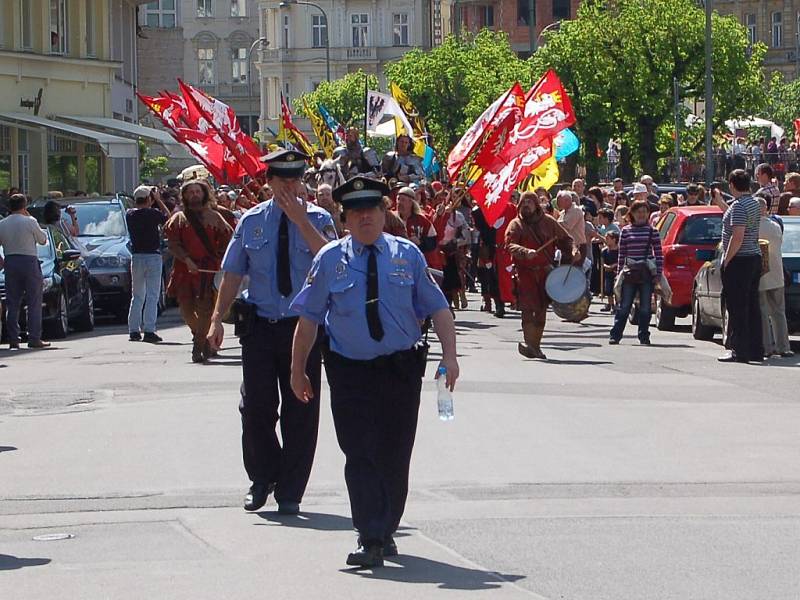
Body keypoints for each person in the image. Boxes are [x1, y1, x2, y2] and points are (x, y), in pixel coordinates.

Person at [289, 175, 458, 568]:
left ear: (384, 214)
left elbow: (438, 309)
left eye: (372, 210)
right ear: (345, 218)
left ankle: (385, 527)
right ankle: (369, 534)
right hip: (350, 372)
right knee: (359, 451)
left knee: (395, 455)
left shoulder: (408, 255)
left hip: (400, 371)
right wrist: (298, 370)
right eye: (356, 212)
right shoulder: (330, 258)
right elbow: (309, 319)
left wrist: (450, 357)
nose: (365, 218)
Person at [207, 149, 337, 516]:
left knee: (301, 408)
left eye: (296, 180)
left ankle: (291, 489)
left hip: (304, 328)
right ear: (269, 183)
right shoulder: (251, 221)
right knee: (255, 407)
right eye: (282, 181)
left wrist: (301, 222)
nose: (290, 188)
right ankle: (262, 477)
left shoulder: (319, 218)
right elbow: (233, 272)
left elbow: (332, 259)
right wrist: (217, 318)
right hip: (261, 326)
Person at [165, 180, 233, 363]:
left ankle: (198, 345)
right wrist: (187, 260)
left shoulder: (216, 218)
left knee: (205, 310)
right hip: (183, 271)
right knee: (186, 310)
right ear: (185, 196)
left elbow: (228, 240)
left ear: (204, 194)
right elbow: (173, 244)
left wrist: (218, 260)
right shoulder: (178, 219)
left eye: (197, 191)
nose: (194, 195)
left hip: (207, 270)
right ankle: (202, 337)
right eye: (191, 192)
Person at [505, 192, 576, 359]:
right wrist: (524, 251)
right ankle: (530, 345)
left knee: (541, 310)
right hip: (525, 274)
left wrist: (573, 250)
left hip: (545, 273)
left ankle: (535, 346)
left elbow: (566, 240)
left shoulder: (549, 222)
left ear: (536, 205)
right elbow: (509, 244)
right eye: (524, 202)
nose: (526, 205)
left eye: (530, 202)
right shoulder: (516, 224)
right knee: (528, 310)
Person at [711, 169, 763, 363]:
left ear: (732, 185)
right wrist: (720, 203)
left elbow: (737, 236)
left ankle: (739, 350)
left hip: (739, 259)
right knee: (752, 305)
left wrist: (727, 259)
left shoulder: (739, 207)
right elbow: (736, 217)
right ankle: (756, 349)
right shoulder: (753, 204)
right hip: (753, 257)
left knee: (737, 307)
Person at [609, 200, 663, 345]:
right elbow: (622, 254)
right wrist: (619, 274)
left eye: (644, 212)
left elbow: (659, 254)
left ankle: (644, 336)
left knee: (645, 307)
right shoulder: (625, 231)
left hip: (646, 274)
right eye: (638, 212)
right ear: (632, 213)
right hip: (629, 273)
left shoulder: (653, 231)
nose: (641, 215)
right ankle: (615, 335)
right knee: (624, 305)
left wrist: (658, 275)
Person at [0, 194, 50, 349]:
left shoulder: (2, 223)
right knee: (34, 301)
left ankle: (13, 338)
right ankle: (34, 338)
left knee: (12, 302)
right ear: (24, 206)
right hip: (29, 261)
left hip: (10, 260)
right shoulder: (30, 221)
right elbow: (43, 240)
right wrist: (31, 219)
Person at [127, 185, 170, 343]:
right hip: (152, 255)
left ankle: (133, 330)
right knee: (152, 294)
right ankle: (149, 329)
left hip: (137, 256)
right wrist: (158, 200)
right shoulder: (153, 213)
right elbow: (169, 217)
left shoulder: (129, 214)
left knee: (137, 295)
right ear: (149, 199)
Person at [756, 198, 793, 358]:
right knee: (779, 311)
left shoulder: (753, 227)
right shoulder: (775, 226)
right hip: (777, 273)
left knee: (763, 312)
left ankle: (766, 347)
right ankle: (783, 346)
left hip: (761, 274)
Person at [556, 190, 587, 262]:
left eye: (559, 201)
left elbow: (566, 226)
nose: (557, 203)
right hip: (567, 246)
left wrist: (553, 223)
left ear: (567, 200)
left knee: (574, 271)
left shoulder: (576, 210)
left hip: (577, 246)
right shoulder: (563, 213)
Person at [600, 231, 620, 312]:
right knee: (608, 290)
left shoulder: (619, 250)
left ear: (614, 239)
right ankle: (610, 304)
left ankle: (617, 305)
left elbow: (622, 260)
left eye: (607, 238)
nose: (605, 240)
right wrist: (606, 266)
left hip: (617, 272)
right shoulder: (604, 251)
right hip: (608, 272)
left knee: (617, 289)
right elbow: (602, 263)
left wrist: (614, 265)